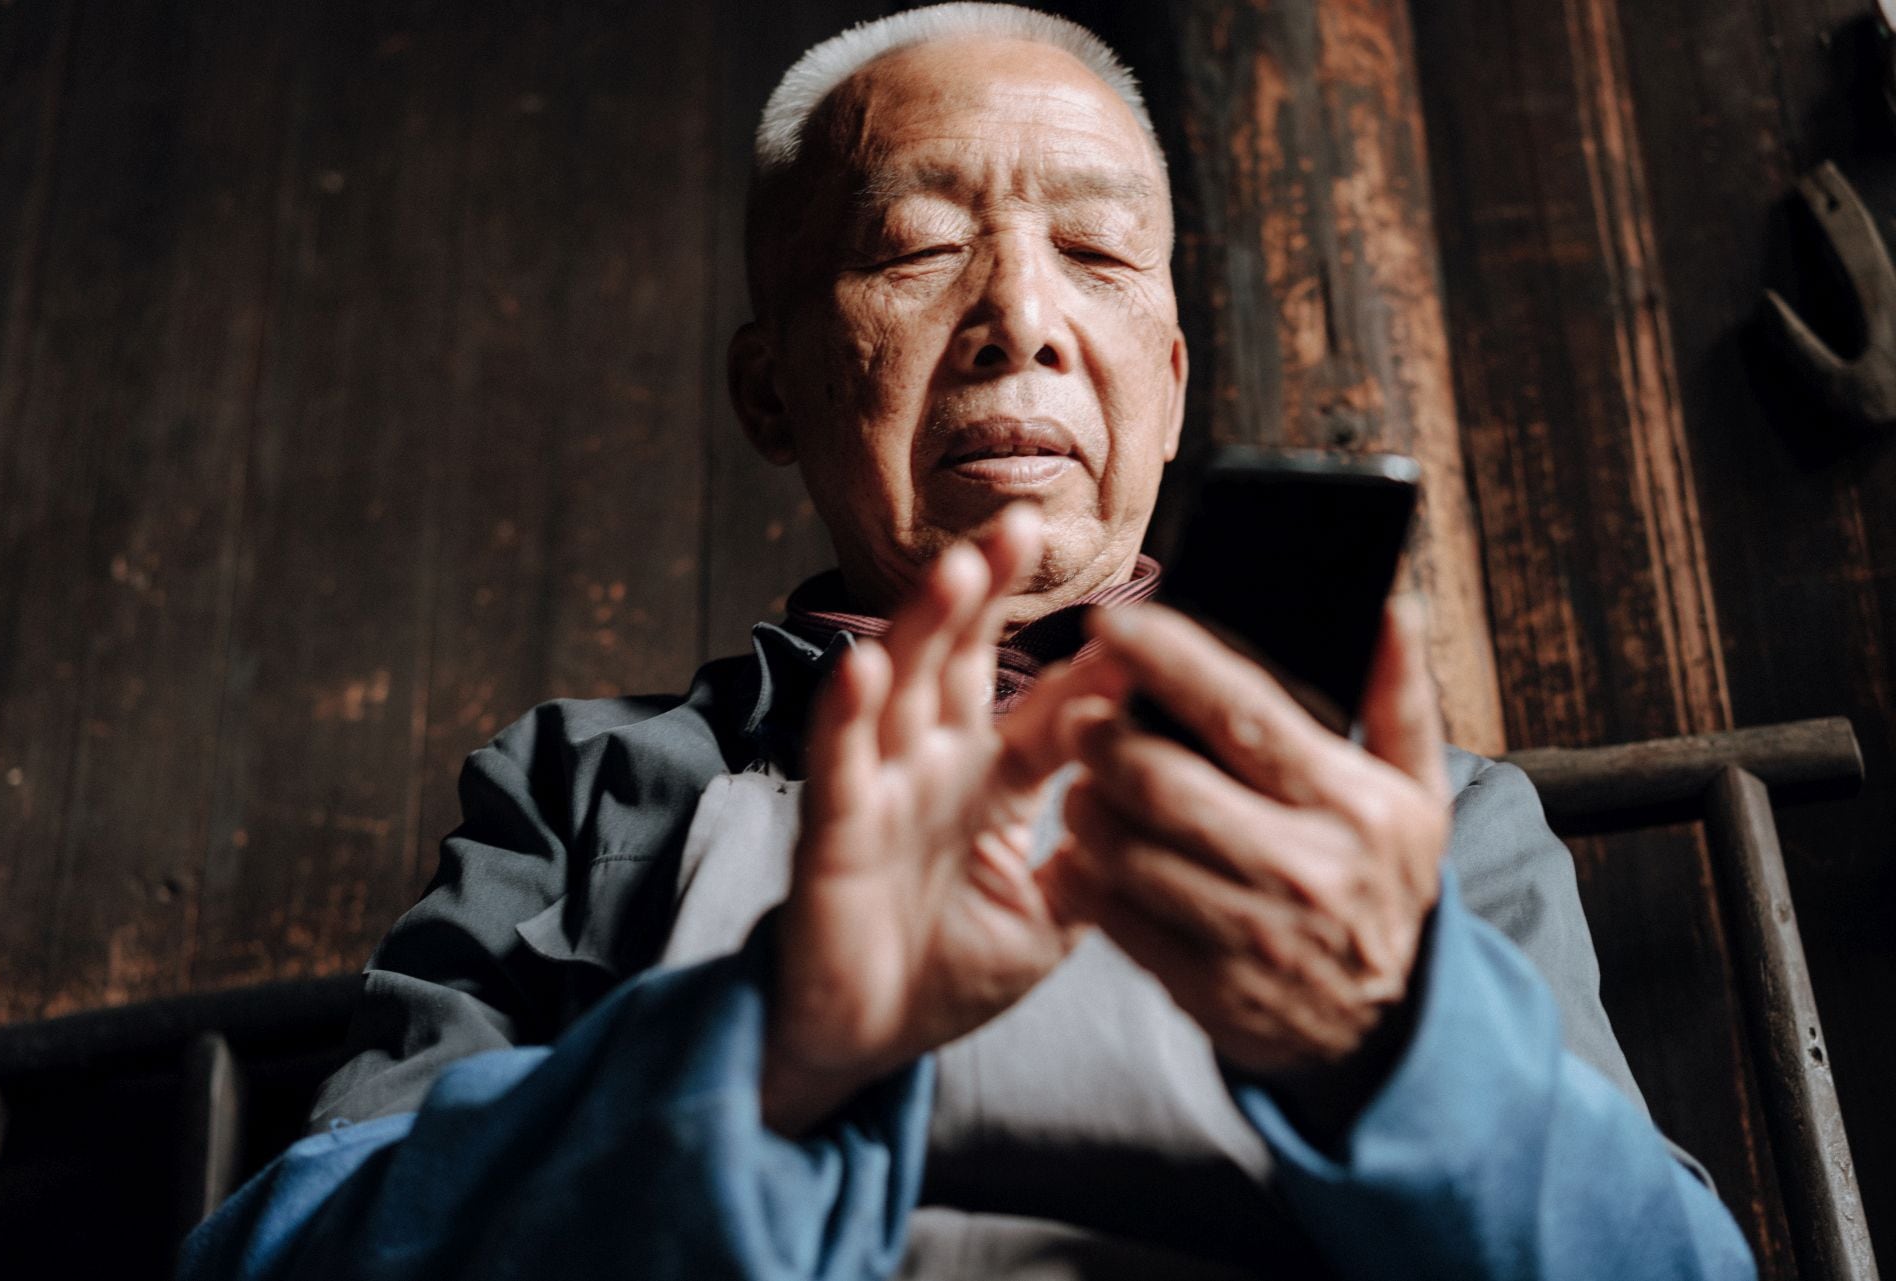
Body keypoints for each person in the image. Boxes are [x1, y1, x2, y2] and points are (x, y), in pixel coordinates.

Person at [179, 5, 1756, 1278]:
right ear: (769, 390)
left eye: (1098, 253)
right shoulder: (588, 786)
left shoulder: (1405, 818)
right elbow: (295, 1253)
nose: (1024, 315)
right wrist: (773, 1032)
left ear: (1173, 376)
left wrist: (1394, 1037)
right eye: (918, 246)